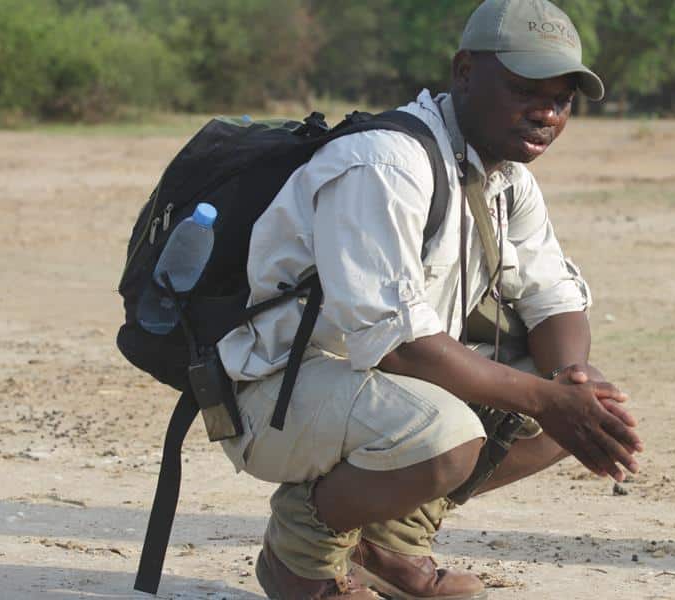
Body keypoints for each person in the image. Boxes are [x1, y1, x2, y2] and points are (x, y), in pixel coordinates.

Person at [216, 0, 644, 598]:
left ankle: (389, 546)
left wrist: (567, 381)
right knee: (447, 434)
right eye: (525, 89)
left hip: (380, 391)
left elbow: (553, 299)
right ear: (464, 71)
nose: (545, 112)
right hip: (280, 394)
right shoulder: (384, 163)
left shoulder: (507, 177)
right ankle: (300, 558)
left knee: (578, 397)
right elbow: (399, 345)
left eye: (562, 99)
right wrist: (547, 398)